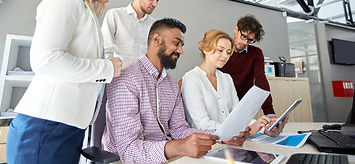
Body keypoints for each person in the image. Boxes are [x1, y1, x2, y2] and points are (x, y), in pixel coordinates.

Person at [6, 0, 123, 164]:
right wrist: (106, 69)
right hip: (46, 125)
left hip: (66, 126)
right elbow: (46, 60)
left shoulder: (86, 9)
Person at [101, 18, 250, 164]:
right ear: (156, 40)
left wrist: (221, 135)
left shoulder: (171, 84)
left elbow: (179, 130)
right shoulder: (126, 80)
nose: (181, 51)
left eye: (181, 45)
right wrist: (178, 147)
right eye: (176, 43)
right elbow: (129, 150)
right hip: (124, 160)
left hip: (166, 156)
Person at [181, 29, 286, 137]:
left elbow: (238, 115)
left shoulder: (226, 78)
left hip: (231, 140)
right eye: (220, 50)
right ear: (205, 49)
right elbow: (203, 124)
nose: (225, 56)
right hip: (206, 143)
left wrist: (263, 127)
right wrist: (247, 129)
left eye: (228, 52)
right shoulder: (191, 79)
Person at [101, 0, 163, 69]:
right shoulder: (115, 15)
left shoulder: (154, 24)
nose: (155, 4)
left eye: (157, 0)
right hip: (119, 77)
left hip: (145, 79)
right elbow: (105, 50)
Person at [220, 15, 276, 116]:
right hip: (221, 103)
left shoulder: (256, 53)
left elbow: (261, 80)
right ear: (236, 29)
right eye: (243, 36)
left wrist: (270, 113)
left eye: (250, 40)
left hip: (243, 104)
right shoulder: (222, 50)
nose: (245, 42)